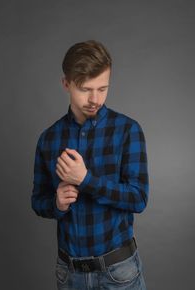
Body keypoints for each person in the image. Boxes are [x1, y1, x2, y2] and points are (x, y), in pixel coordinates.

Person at [31, 40, 149, 290]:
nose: (95, 99)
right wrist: (56, 203)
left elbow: (138, 198)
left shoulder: (128, 130)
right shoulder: (49, 139)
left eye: (103, 88)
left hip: (119, 273)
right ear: (66, 84)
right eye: (85, 89)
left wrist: (86, 180)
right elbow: (37, 201)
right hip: (69, 273)